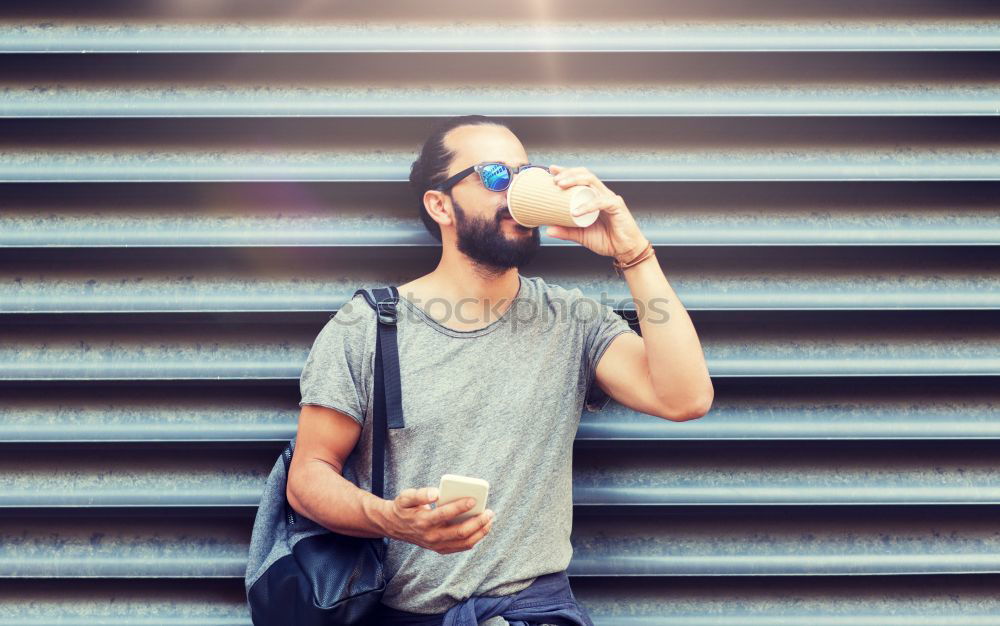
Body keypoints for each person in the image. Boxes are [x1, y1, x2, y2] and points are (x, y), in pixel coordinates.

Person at [286, 114, 714, 625]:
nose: (517, 190)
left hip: (533, 611)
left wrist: (632, 251)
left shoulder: (571, 319)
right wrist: (391, 520)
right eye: (495, 176)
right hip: (409, 615)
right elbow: (308, 477)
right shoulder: (367, 325)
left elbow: (685, 398)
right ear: (440, 204)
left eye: (525, 172)